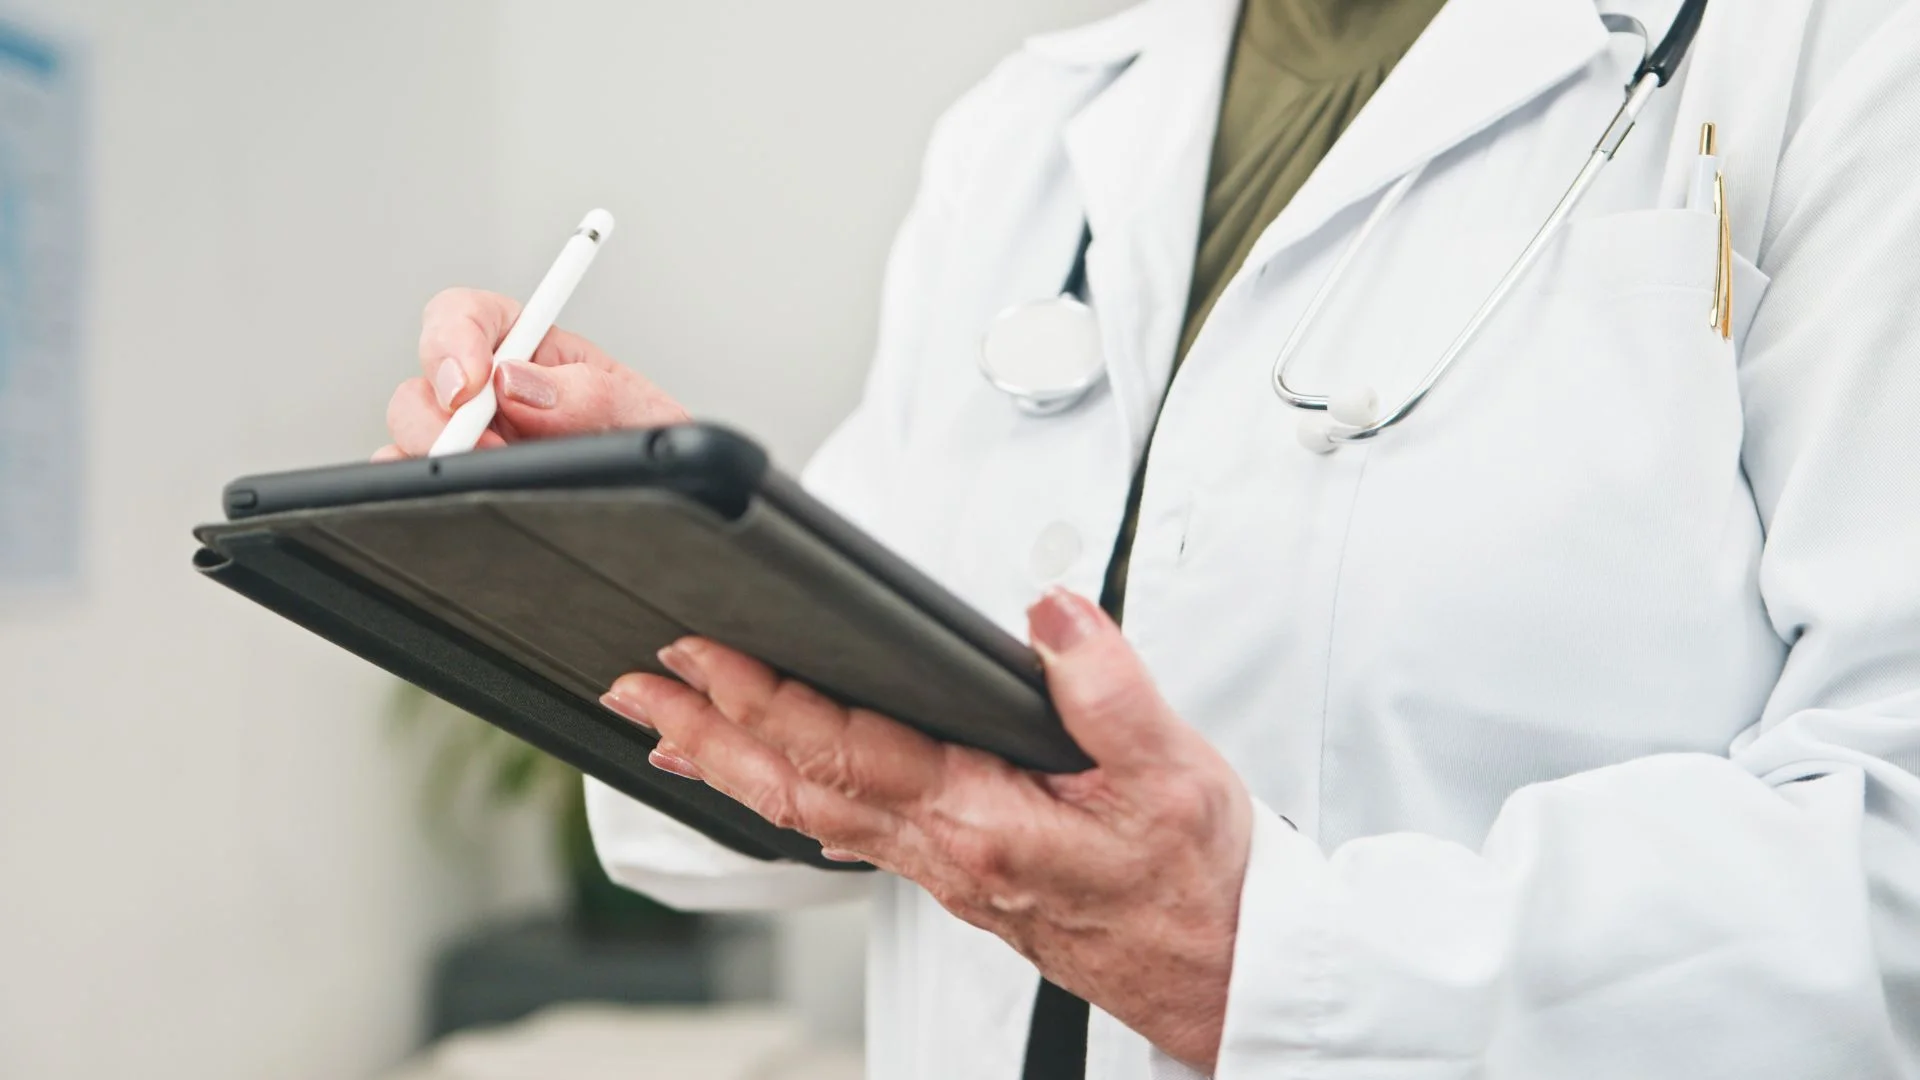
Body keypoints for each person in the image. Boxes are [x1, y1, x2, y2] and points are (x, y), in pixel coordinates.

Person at [378, 0, 1920, 1076]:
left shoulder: (1842, 63)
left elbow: (1892, 863)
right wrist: (639, 546)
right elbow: (862, 770)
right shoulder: (1032, 129)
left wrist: (1270, 956)